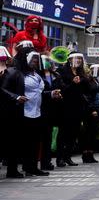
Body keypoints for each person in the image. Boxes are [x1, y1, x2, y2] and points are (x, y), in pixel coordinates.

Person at [2, 46, 60, 176]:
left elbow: (38, 93)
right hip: (19, 113)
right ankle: (12, 170)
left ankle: (31, 167)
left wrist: (51, 94)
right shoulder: (13, 72)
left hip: (36, 112)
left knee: (33, 143)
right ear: (25, 58)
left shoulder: (36, 74)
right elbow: (3, 90)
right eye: (33, 58)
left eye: (36, 58)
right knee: (17, 143)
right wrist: (16, 97)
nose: (35, 61)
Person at [55, 52, 89, 167]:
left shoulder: (81, 72)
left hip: (78, 106)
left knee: (73, 133)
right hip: (65, 106)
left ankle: (67, 156)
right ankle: (59, 158)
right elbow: (62, 89)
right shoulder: (62, 71)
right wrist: (73, 83)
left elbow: (87, 89)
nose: (78, 61)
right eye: (76, 58)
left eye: (80, 58)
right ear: (70, 59)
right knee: (63, 133)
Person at [39, 55, 63, 170]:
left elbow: (62, 88)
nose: (46, 64)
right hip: (40, 108)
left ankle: (46, 161)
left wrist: (59, 94)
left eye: (48, 61)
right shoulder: (37, 74)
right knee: (40, 137)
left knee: (48, 136)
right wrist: (51, 93)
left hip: (53, 109)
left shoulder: (56, 75)